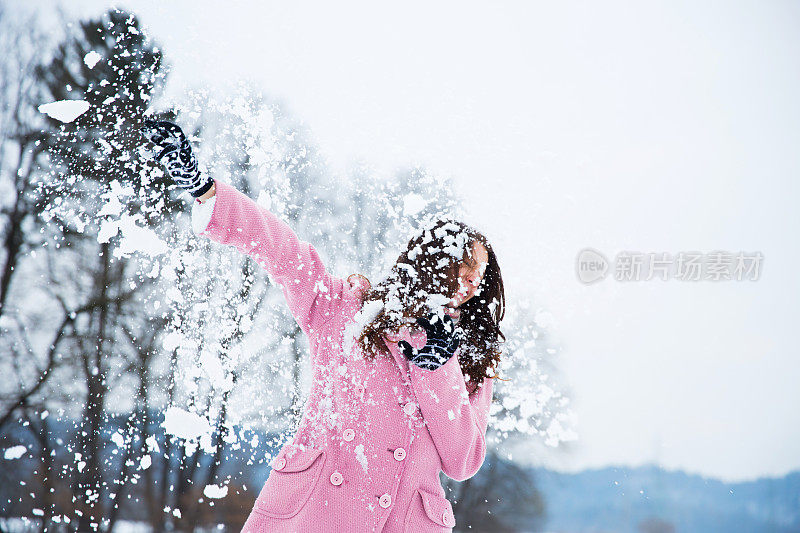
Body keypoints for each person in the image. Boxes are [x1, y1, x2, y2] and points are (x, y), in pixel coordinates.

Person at [140, 119, 506, 533]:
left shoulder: (468, 358)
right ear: (431, 261)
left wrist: (437, 366)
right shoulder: (346, 311)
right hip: (311, 515)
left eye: (480, 275)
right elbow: (282, 250)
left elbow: (462, 461)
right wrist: (207, 192)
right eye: (465, 266)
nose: (473, 283)